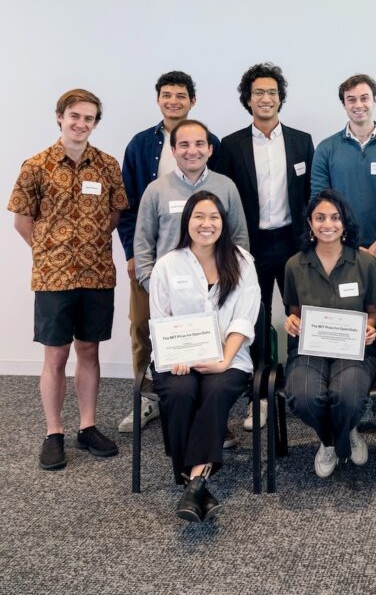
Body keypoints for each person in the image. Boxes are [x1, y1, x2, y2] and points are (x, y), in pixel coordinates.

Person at [8, 89, 129, 470]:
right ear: (59, 117)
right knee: (56, 355)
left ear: (95, 124)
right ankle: (54, 432)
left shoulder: (107, 165)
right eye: (75, 116)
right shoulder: (36, 165)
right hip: (53, 278)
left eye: (89, 118)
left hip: (96, 274)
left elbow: (114, 215)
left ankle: (88, 426)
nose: (81, 124)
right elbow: (22, 221)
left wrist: (87, 246)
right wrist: (49, 252)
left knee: (89, 351)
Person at [134, 119, 249, 445]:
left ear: (210, 149)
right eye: (183, 144)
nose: (192, 150)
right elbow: (143, 243)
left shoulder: (226, 187)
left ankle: (211, 424)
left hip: (219, 296)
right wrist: (150, 283)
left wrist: (232, 284)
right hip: (173, 298)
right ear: (173, 150)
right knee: (182, 372)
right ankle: (194, 430)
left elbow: (239, 237)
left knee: (216, 368)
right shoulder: (157, 190)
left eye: (199, 144)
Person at [117, 71, 220, 434]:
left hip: (205, 265)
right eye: (166, 95)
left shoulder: (210, 142)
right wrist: (134, 256)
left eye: (180, 95)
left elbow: (217, 199)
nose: (173, 101)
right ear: (158, 99)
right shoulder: (141, 144)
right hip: (152, 264)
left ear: (193, 100)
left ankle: (203, 404)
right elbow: (129, 205)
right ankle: (148, 399)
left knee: (203, 328)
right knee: (143, 329)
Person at [149, 191, 261, 522]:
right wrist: (175, 356)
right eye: (199, 216)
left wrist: (224, 360)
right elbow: (159, 319)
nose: (206, 224)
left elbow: (245, 316)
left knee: (214, 390)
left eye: (213, 217)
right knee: (181, 392)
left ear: (223, 223)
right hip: (178, 360)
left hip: (229, 357)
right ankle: (198, 484)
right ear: (187, 222)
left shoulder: (241, 261)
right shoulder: (167, 265)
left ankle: (192, 480)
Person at [311, 73, 376, 438]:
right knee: (345, 331)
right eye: (351, 99)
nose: (358, 104)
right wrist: (349, 252)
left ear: (375, 100)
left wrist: (375, 249)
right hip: (339, 258)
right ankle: (349, 408)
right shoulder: (328, 148)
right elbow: (319, 206)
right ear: (344, 104)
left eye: (364, 97)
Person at [218, 63, 314, 430]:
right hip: (249, 246)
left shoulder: (302, 141)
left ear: (280, 98)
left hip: (293, 244)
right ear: (248, 99)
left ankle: (298, 388)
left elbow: (308, 196)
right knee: (252, 318)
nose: (266, 98)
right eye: (258, 92)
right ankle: (257, 397)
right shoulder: (230, 145)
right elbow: (225, 199)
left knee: (298, 316)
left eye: (272, 92)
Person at [282, 189, 376, 476]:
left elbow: (374, 310)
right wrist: (291, 320)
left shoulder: (364, 262)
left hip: (354, 348)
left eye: (335, 218)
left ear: (344, 222)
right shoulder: (294, 265)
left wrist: (371, 327)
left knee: (348, 396)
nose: (328, 224)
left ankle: (345, 428)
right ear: (310, 223)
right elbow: (294, 310)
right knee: (302, 396)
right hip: (309, 349)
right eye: (320, 218)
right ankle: (332, 439)